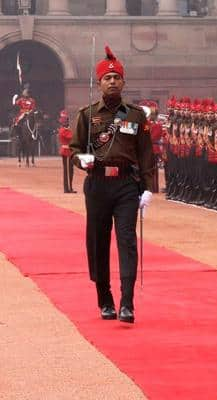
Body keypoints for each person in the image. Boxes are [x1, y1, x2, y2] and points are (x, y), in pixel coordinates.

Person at [69, 46, 154, 324]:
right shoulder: (86, 114)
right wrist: (82, 160)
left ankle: (127, 302)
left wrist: (149, 187)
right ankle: (104, 299)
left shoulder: (136, 115)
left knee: (127, 241)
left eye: (117, 77)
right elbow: (74, 149)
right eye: (108, 78)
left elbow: (145, 153)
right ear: (99, 83)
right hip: (97, 185)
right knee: (98, 241)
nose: (113, 81)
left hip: (126, 185)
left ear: (124, 82)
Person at [58, 110, 76, 193]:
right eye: (66, 121)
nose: (68, 122)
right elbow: (72, 137)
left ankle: (69, 187)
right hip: (67, 151)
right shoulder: (63, 130)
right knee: (68, 171)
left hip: (68, 151)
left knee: (69, 170)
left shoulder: (66, 129)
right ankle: (68, 188)